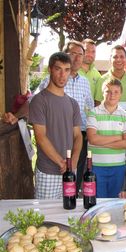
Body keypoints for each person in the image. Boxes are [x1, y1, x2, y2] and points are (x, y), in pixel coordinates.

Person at [39, 40, 94, 196]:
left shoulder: (85, 82)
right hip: (55, 137)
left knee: (73, 183)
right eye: (73, 54)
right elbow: (33, 102)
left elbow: (90, 109)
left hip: (79, 137)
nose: (77, 58)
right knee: (56, 178)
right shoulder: (52, 81)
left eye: (80, 55)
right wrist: (15, 116)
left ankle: (70, 205)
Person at [29, 52, 82, 199]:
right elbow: (40, 136)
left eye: (66, 70)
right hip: (48, 172)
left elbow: (77, 136)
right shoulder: (39, 101)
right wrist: (62, 163)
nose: (62, 75)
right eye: (58, 69)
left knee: (68, 213)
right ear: (50, 69)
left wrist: (74, 162)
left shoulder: (73, 103)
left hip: (70, 171)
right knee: (46, 218)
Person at [87, 78, 126, 198]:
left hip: (118, 166)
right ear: (103, 93)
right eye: (108, 91)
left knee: (114, 202)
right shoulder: (93, 113)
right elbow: (92, 139)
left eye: (116, 92)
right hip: (96, 166)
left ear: (121, 94)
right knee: (97, 201)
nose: (112, 95)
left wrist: (101, 142)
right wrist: (118, 137)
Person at [94, 45, 126, 111]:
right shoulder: (102, 80)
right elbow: (97, 104)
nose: (118, 60)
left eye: (122, 57)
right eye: (115, 57)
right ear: (110, 60)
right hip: (108, 119)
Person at [79, 38, 101, 105]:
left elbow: (97, 100)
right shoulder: (71, 71)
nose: (90, 54)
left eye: (93, 51)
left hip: (90, 114)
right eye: (87, 50)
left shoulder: (97, 75)